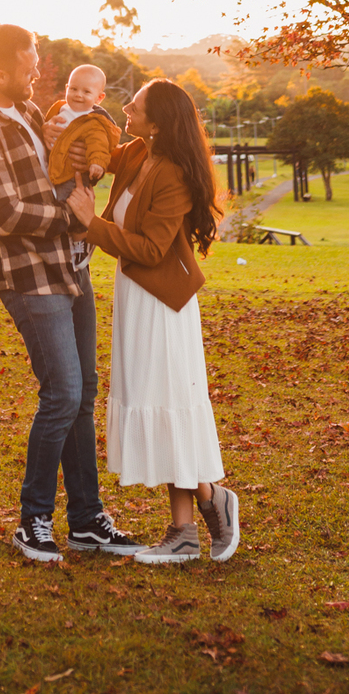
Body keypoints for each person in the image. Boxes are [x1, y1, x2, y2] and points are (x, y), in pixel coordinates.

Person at [0, 22, 142, 565]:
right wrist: (74, 218)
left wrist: (84, 164)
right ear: (2, 70)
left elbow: (62, 165)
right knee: (61, 392)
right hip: (27, 273)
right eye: (31, 64)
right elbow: (5, 213)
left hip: (70, 265)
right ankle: (32, 520)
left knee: (83, 394)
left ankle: (86, 520)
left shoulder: (29, 112)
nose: (39, 72)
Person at [66, 78, 239, 564]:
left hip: (164, 307)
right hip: (136, 299)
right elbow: (102, 151)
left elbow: (150, 248)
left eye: (135, 106)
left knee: (169, 408)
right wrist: (83, 151)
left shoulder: (175, 175)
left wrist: (90, 223)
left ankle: (188, 527)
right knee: (161, 408)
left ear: (159, 122)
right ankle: (205, 506)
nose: (126, 108)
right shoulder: (140, 152)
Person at [45, 63, 120, 188]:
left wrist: (97, 163)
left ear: (99, 98)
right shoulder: (59, 108)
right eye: (73, 89)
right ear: (66, 89)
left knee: (67, 202)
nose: (78, 94)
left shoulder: (93, 121)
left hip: (72, 176)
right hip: (50, 168)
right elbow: (45, 126)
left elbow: (98, 144)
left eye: (86, 92)